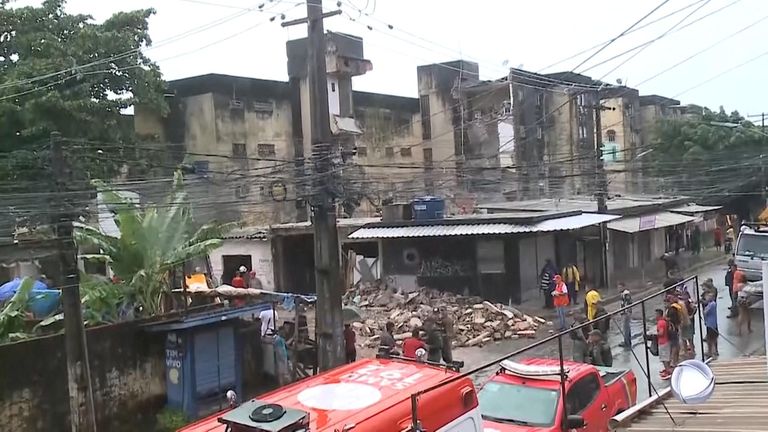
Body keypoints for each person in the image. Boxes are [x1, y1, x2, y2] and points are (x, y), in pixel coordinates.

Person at [654, 308, 673, 380]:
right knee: (666, 357)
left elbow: (661, 333)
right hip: (666, 341)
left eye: (656, 314)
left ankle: (668, 372)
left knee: (664, 358)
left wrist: (655, 335)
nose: (655, 316)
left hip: (663, 342)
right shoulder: (664, 321)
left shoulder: (660, 323)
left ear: (659, 315)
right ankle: (667, 369)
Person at [664, 295, 682, 367]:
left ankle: (673, 361)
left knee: (674, 345)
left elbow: (672, 319)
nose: (665, 304)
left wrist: (665, 319)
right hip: (675, 328)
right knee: (676, 345)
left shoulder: (672, 310)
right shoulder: (673, 308)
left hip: (673, 329)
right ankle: (675, 360)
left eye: (666, 302)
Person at [703, 292, 719, 359]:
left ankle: (710, 351)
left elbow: (705, 312)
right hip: (713, 323)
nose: (706, 298)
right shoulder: (713, 304)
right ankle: (715, 350)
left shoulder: (711, 305)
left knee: (710, 338)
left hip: (710, 324)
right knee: (714, 338)